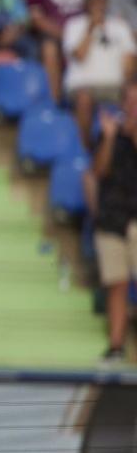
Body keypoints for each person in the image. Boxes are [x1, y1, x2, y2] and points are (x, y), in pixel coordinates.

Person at [92, 83, 137, 363]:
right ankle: (116, 346)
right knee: (116, 284)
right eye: (130, 99)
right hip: (112, 219)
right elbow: (99, 170)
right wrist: (110, 138)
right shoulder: (110, 132)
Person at [62, 0, 136, 145]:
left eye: (101, 0)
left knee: (134, 94)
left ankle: (127, 149)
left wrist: (128, 83)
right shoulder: (73, 25)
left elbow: (130, 61)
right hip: (82, 87)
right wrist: (91, 27)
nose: (98, 4)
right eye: (94, 1)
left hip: (115, 88)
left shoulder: (120, 26)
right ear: (87, 3)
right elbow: (79, 56)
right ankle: (85, 148)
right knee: (84, 98)